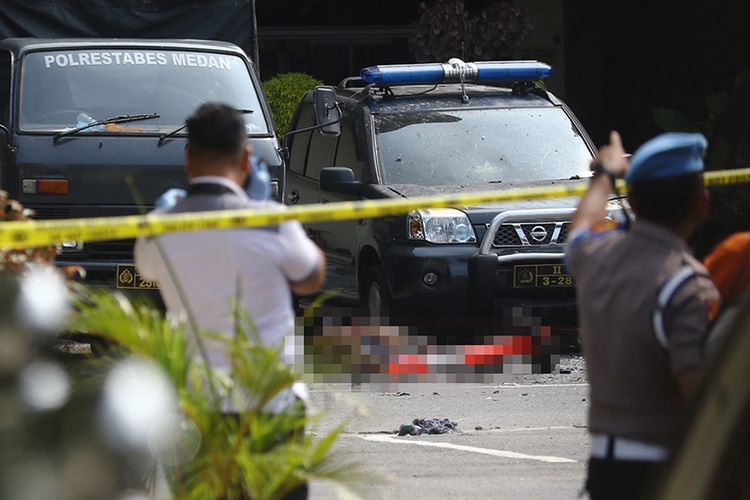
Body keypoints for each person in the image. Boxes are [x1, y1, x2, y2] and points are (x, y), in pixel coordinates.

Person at [134, 103, 325, 498]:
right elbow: (311, 278)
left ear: (188, 159)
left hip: (197, 411)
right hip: (271, 405)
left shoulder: (157, 231)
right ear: (246, 159)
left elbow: (147, 270)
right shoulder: (272, 222)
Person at [566, 131, 720, 500]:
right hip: (664, 474)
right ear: (702, 204)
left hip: (605, 471)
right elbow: (700, 402)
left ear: (632, 200)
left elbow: (579, 229)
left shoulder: (597, 257)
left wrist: (605, 174)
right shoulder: (688, 285)